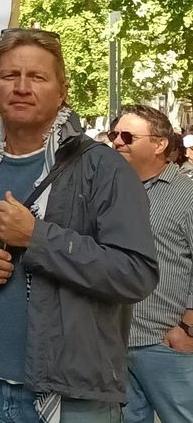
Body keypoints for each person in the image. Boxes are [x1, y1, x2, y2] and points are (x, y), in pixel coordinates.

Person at [0, 29, 159, 421]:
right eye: (10, 75)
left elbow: (136, 273)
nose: (22, 87)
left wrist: (36, 238)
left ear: (62, 90)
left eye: (37, 77)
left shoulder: (103, 167)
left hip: (72, 396)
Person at [106, 105, 193, 422]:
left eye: (127, 136)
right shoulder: (110, 191)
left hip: (167, 344)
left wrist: (187, 328)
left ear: (159, 144)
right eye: (114, 134)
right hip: (115, 341)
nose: (117, 142)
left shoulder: (187, 194)